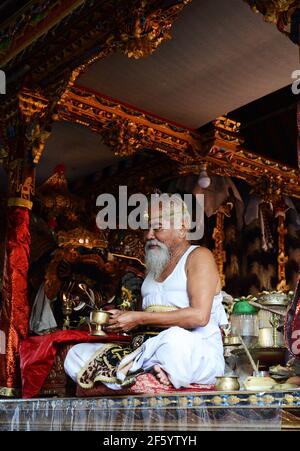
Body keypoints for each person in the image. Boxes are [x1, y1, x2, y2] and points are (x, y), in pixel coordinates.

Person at [64, 195, 227, 389]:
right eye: (147, 228)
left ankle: (140, 371)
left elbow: (199, 316)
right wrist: (120, 319)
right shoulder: (153, 267)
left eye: (157, 228)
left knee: (175, 340)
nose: (149, 235)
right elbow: (143, 318)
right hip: (146, 349)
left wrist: (138, 318)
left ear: (182, 228)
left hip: (192, 352)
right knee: (76, 352)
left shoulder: (199, 256)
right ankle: (141, 372)